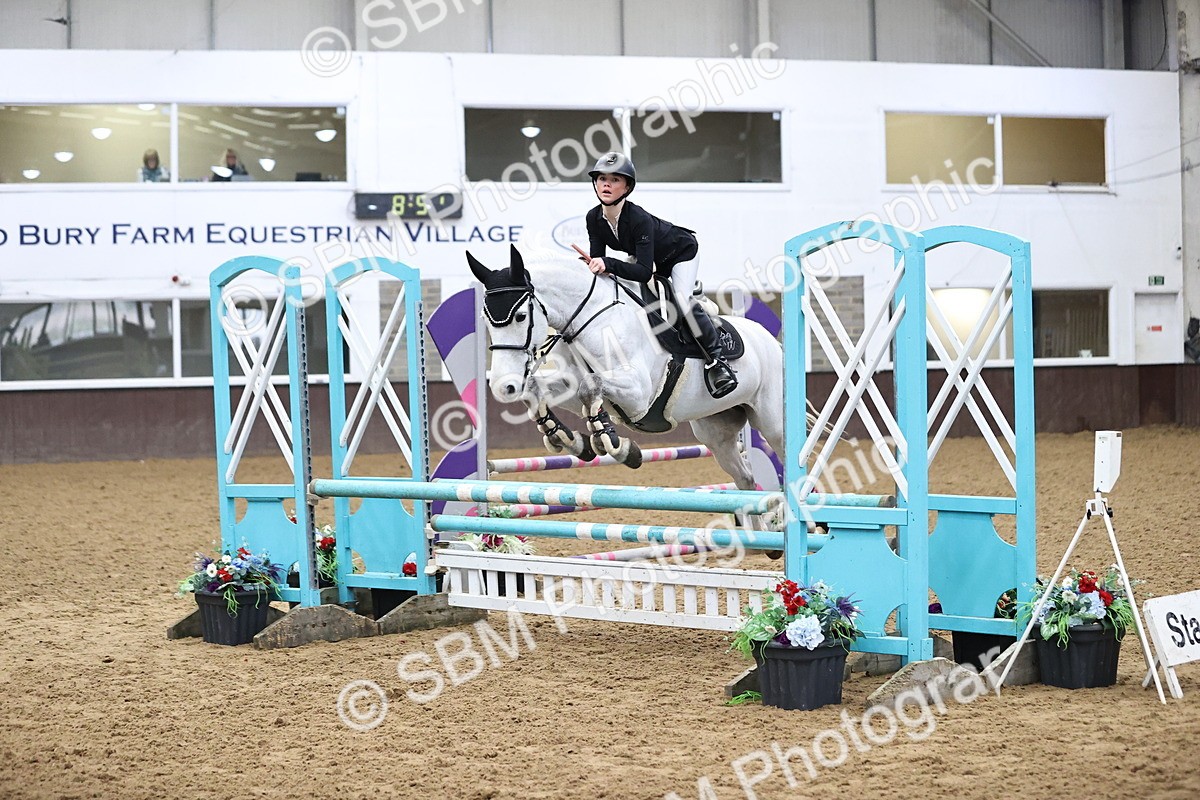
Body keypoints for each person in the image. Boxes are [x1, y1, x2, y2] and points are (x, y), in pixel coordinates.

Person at [584, 151, 738, 399]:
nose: (606, 184)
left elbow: (643, 273)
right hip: (649, 258)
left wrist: (607, 262)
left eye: (614, 180)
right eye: (601, 178)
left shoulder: (639, 218)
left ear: (627, 187)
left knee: (683, 300)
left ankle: (717, 361)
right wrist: (595, 266)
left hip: (680, 253)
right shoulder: (593, 218)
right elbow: (600, 265)